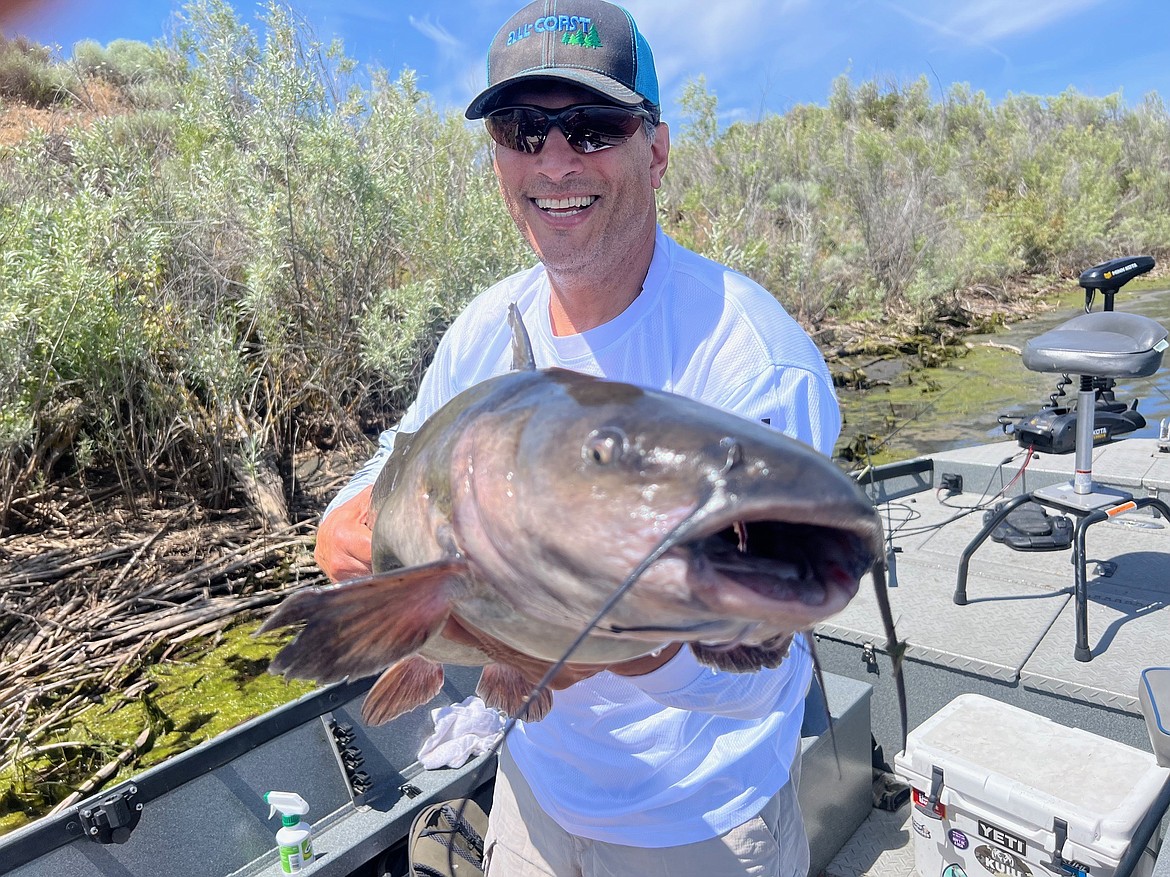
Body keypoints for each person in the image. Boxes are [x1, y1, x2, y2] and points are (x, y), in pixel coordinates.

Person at [315, 1, 841, 874]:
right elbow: (397, 457)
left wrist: (627, 646)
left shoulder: (755, 367)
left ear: (656, 149)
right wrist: (352, 521)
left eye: (593, 127)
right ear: (498, 160)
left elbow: (764, 672)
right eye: (524, 130)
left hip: (701, 826)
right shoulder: (489, 326)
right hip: (532, 796)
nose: (555, 160)